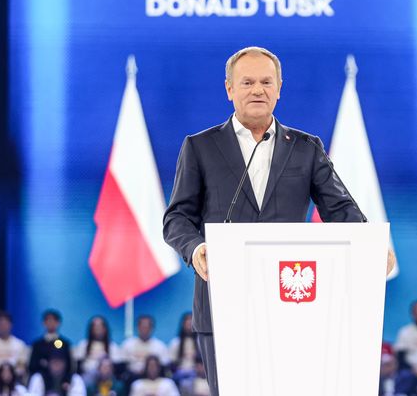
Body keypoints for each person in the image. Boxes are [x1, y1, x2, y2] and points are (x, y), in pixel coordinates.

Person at [163, 46, 395, 396]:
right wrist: (195, 249)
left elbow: (342, 211)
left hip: (292, 305)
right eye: (248, 82)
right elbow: (177, 217)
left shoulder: (306, 147)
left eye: (266, 82)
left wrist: (371, 247)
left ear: (279, 88)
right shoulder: (200, 147)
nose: (258, 90)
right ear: (229, 89)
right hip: (222, 304)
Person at [73, 316, 121, 384]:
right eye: (95, 326)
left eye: (100, 326)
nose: (97, 329)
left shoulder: (112, 346)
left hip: (107, 378)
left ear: (105, 329)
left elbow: (117, 366)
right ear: (91, 329)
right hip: (87, 376)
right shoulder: (83, 345)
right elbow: (78, 365)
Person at [0, 312, 29, 380]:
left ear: (11, 325)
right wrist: (0, 375)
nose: (3, 327)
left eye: (5, 324)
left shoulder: (19, 344)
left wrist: (10, 375)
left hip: (14, 381)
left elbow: (22, 366)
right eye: (0, 324)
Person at [28, 309, 72, 377]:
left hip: (61, 379)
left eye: (53, 320)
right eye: (48, 321)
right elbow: (32, 366)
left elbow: (69, 366)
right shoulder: (37, 344)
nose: (51, 323)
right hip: (41, 378)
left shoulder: (65, 344)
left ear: (58, 323)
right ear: (43, 323)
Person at [168, 313, 197, 385]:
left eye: (191, 324)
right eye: (187, 324)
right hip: (180, 373)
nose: (189, 326)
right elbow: (171, 363)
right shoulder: (175, 342)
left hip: (196, 373)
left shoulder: (200, 342)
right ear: (183, 325)